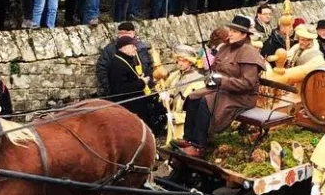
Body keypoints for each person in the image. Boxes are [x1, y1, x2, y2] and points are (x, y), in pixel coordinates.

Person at [176, 16, 264, 158]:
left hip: (242, 96)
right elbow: (216, 70)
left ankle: (199, 146)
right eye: (230, 30)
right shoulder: (225, 48)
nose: (230, 34)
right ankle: (189, 139)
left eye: (235, 31)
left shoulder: (249, 52)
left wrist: (222, 81)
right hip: (221, 89)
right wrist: (211, 78)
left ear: (244, 34)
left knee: (206, 101)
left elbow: (248, 84)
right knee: (193, 97)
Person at [95, 22, 153, 97]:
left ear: (133, 33)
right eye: (121, 33)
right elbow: (102, 70)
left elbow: (148, 66)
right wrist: (109, 92)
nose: (124, 36)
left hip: (143, 90)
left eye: (127, 33)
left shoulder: (142, 48)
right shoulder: (109, 50)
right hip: (123, 94)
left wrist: (148, 83)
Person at [161, 44, 206, 141]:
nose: (180, 64)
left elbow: (195, 109)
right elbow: (167, 91)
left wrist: (176, 117)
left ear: (190, 62)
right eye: (179, 60)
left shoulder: (198, 80)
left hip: (186, 124)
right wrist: (165, 98)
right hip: (172, 118)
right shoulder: (174, 75)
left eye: (184, 61)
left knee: (182, 145)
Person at [108, 35, 155, 125]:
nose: (135, 49)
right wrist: (142, 82)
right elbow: (122, 89)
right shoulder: (117, 64)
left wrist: (138, 78)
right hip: (129, 106)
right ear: (124, 48)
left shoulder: (124, 59)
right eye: (133, 46)